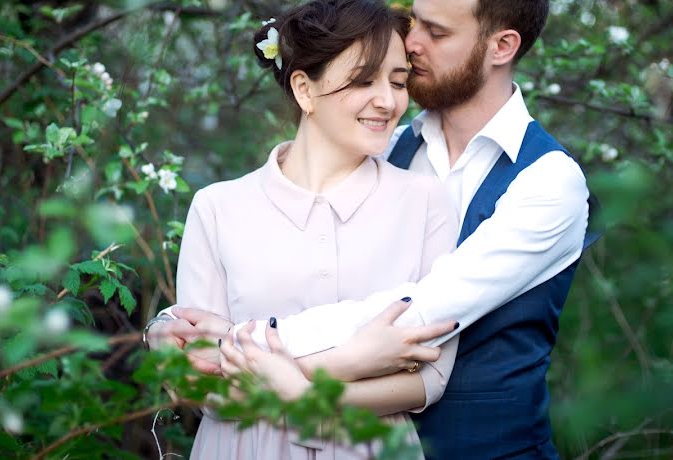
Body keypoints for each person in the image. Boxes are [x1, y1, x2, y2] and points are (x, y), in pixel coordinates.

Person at [169, 0, 599, 458]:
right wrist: (168, 330)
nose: (411, 45)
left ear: (502, 46)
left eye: (436, 32)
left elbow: (421, 313)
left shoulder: (549, 181)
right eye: (414, 24)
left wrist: (238, 342)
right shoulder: (382, 146)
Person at [144, 1, 462, 458]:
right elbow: (200, 384)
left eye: (397, 81)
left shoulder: (427, 201)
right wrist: (347, 363)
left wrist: (292, 383)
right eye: (363, 80)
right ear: (304, 89)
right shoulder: (218, 207)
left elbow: (429, 378)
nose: (389, 101)